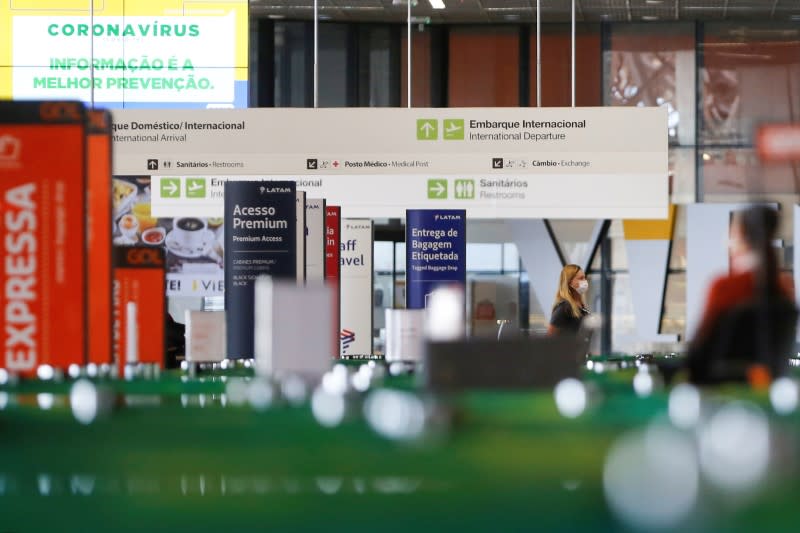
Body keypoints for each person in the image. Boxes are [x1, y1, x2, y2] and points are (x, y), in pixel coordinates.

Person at [687, 205, 798, 385]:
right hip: (766, 388)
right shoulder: (784, 288)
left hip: (717, 390)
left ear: (738, 235)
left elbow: (699, 354)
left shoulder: (725, 287)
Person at [548, 264, 590, 336]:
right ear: (570, 282)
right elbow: (550, 336)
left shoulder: (581, 306)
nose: (585, 281)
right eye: (581, 278)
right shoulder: (564, 307)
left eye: (584, 278)